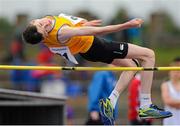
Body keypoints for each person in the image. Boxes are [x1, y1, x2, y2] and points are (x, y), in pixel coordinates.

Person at [22, 13, 172, 125]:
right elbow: (98, 32)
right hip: (98, 47)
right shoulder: (61, 32)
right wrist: (126, 25)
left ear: (32, 22)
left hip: (92, 49)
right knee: (148, 55)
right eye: (43, 30)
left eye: (40, 23)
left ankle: (111, 102)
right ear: (45, 36)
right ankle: (146, 105)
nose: (44, 23)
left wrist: (83, 25)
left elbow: (70, 25)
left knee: (132, 66)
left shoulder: (39, 27)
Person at [161, 57, 180, 125]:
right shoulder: (166, 85)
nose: (175, 72)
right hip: (170, 122)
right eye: (173, 69)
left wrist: (175, 103)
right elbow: (167, 101)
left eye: (177, 70)